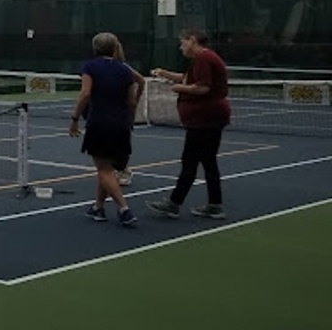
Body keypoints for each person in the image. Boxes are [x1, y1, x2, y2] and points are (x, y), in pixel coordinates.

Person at [147, 29, 232, 220]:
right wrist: (165, 74)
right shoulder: (202, 59)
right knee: (208, 161)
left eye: (183, 43)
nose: (181, 47)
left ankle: (174, 203)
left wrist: (178, 89)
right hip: (207, 118)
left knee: (190, 161)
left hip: (205, 119)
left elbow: (202, 87)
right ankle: (214, 205)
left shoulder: (204, 58)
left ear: (192, 41)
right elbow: (188, 79)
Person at [69, 33, 139, 227]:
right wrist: (129, 121)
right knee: (105, 169)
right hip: (121, 125)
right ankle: (98, 208)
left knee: (103, 170)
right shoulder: (125, 70)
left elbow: (85, 94)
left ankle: (124, 209)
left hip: (99, 123)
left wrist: (74, 118)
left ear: (95, 48)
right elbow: (132, 101)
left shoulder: (89, 67)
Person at [112, 40, 146, 186]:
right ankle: (115, 169)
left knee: (122, 141)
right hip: (108, 110)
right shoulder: (100, 67)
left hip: (122, 111)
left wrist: (135, 101)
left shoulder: (123, 68)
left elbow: (141, 81)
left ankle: (123, 170)